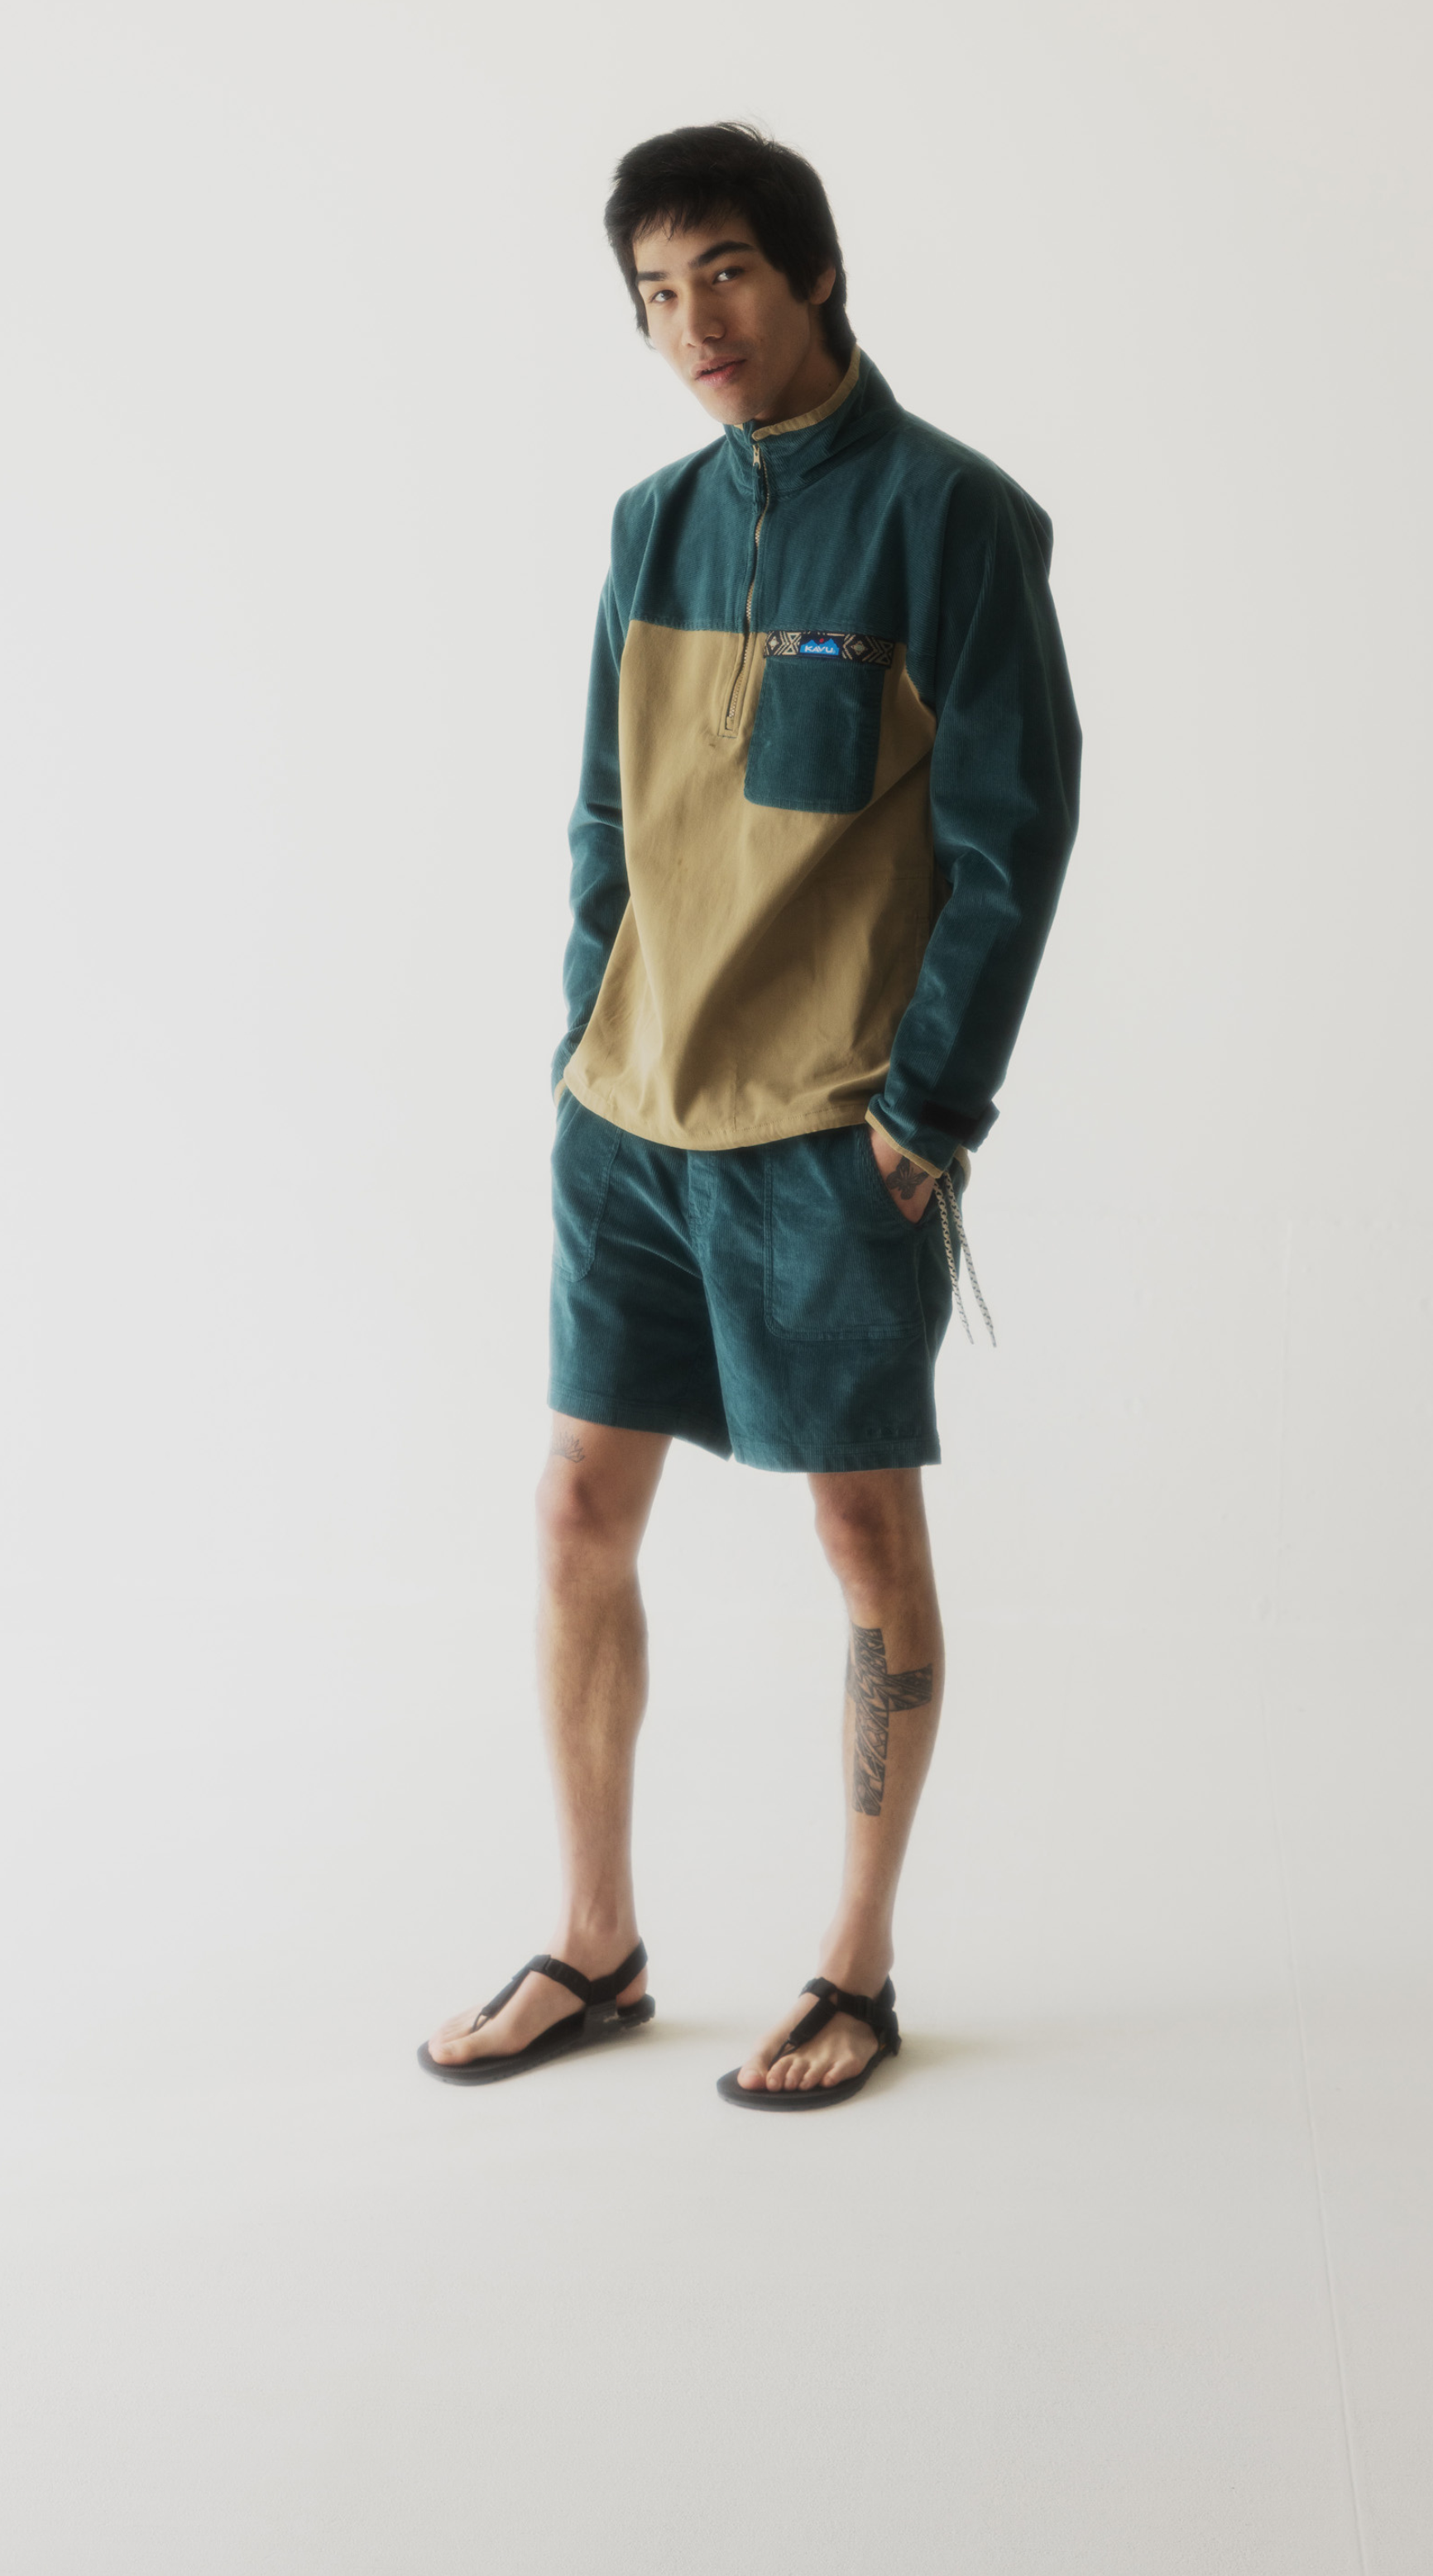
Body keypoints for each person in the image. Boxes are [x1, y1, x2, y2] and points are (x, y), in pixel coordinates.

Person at [420, 122, 1081, 2109]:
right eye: (650, 293)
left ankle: (853, 1968)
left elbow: (1011, 840)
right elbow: (602, 817)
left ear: (808, 272)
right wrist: (582, 1043)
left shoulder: (953, 517)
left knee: (857, 1534)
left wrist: (925, 1114)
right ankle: (596, 1944)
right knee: (573, 1513)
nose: (689, 321)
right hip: (627, 1119)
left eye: (719, 270)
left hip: (827, 1132)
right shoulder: (650, 524)